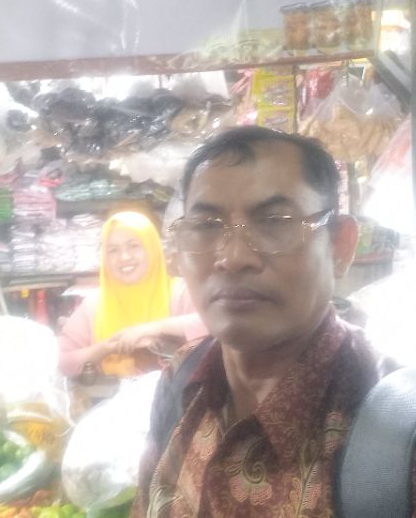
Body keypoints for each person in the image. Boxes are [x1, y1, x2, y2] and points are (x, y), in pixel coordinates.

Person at [131, 126, 404, 517]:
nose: (233, 257)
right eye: (207, 225)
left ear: (340, 246)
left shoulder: (397, 430)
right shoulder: (182, 378)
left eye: (275, 221)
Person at [58, 210, 205, 378]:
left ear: (152, 249)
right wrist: (110, 346)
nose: (124, 257)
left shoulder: (179, 292)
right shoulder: (94, 305)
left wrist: (152, 329)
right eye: (113, 250)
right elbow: (59, 361)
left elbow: (212, 324)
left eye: (134, 246)